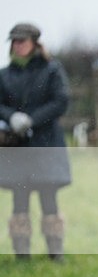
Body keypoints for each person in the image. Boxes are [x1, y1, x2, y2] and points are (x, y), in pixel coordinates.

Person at [0, 23, 71, 260]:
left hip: (45, 144)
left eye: (23, 41)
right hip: (17, 146)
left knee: (48, 197)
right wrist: (12, 117)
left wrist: (32, 119)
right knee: (19, 200)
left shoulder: (51, 70)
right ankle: (22, 253)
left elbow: (60, 101)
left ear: (34, 43)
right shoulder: (5, 74)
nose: (18, 46)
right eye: (15, 42)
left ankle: (55, 252)